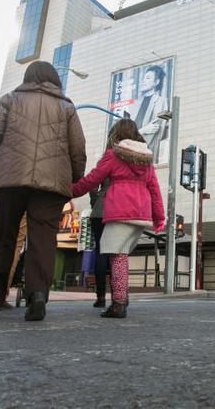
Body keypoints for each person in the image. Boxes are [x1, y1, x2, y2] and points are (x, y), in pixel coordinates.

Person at [0, 61, 86, 321]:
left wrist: (2, 155)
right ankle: (37, 295)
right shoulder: (67, 107)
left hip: (10, 178)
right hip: (50, 183)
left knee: (2, 237)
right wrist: (73, 177)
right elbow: (78, 148)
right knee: (42, 239)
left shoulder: (10, 99)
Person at [71, 118, 164, 319]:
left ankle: (119, 303)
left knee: (116, 255)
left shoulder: (114, 155)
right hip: (141, 213)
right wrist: (159, 217)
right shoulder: (146, 158)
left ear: (117, 134)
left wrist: (71, 191)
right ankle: (123, 298)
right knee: (120, 254)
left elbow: (93, 179)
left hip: (120, 210)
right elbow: (154, 189)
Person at [132, 65, 168, 160]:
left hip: (146, 153)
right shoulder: (134, 103)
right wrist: (143, 131)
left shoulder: (161, 102)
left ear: (156, 82)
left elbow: (156, 130)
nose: (143, 81)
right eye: (143, 78)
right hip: (130, 152)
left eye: (148, 78)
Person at [89, 179, 110, 308]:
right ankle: (119, 298)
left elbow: (92, 184)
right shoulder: (133, 163)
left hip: (100, 210)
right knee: (118, 254)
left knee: (101, 252)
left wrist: (95, 201)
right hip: (121, 211)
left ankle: (101, 297)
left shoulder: (106, 162)